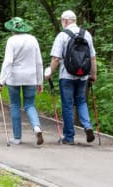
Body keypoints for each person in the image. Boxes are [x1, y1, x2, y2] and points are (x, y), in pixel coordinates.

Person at [44, 10, 97, 145]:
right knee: (81, 102)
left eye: (62, 21)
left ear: (66, 21)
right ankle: (87, 126)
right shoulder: (87, 34)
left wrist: (49, 72)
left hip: (66, 75)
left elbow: (56, 58)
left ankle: (69, 137)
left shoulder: (62, 36)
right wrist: (93, 74)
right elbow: (92, 57)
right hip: (83, 76)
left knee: (67, 105)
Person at [0, 17, 44, 145]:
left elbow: (8, 62)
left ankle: (17, 138)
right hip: (31, 77)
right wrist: (40, 81)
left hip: (14, 78)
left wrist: (1, 81)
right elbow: (39, 62)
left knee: (15, 106)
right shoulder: (33, 39)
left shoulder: (11, 41)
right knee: (30, 105)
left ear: (13, 29)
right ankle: (36, 127)